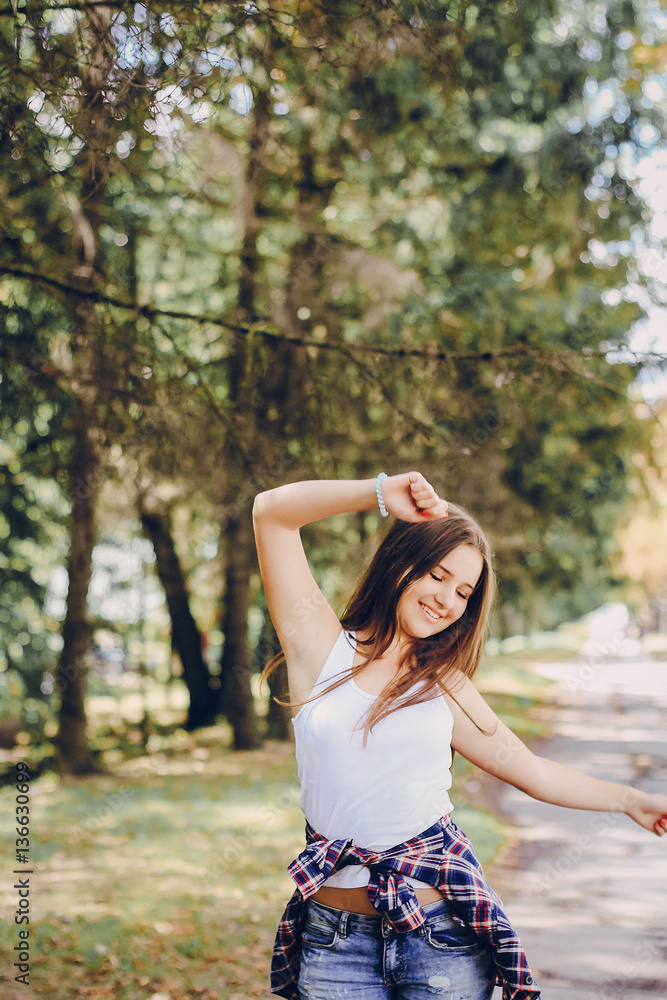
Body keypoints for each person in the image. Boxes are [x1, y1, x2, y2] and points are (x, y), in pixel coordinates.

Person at [252, 471, 667, 1000]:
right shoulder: (321, 651)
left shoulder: (443, 685)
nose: (447, 599)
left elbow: (531, 771)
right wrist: (379, 493)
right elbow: (272, 513)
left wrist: (632, 799)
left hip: (439, 938)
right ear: (401, 562)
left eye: (464, 591)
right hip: (335, 943)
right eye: (437, 575)